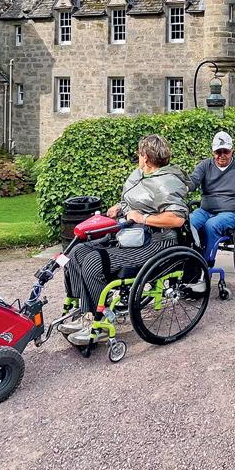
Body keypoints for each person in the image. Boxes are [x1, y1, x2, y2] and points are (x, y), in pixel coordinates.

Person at [60, 134, 190, 343]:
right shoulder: (140, 175)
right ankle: (85, 311)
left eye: (139, 153)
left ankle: (99, 322)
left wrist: (142, 218)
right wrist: (120, 207)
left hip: (157, 242)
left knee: (93, 262)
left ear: (145, 156)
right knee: (76, 252)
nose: (138, 157)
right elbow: (134, 202)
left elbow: (176, 219)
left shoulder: (168, 181)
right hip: (130, 235)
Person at [187, 131, 235, 273]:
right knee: (188, 223)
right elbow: (192, 182)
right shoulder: (205, 165)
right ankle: (189, 262)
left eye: (225, 151)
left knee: (211, 225)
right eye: (218, 152)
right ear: (213, 152)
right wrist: (180, 188)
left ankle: (205, 265)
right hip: (205, 210)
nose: (221, 155)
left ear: (232, 150)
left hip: (231, 212)